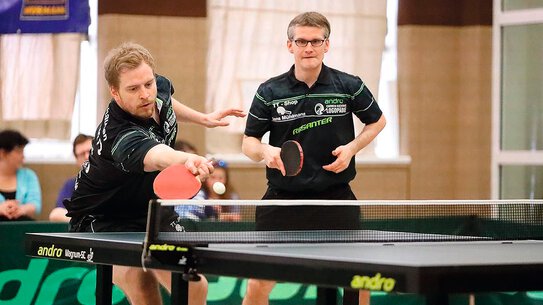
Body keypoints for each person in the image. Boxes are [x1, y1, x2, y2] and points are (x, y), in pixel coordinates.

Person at [64, 42, 245, 305]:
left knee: (194, 286)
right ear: (115, 92)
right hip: (103, 217)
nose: (145, 94)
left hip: (149, 209)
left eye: (148, 84)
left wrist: (204, 119)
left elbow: (167, 102)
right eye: (133, 89)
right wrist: (188, 159)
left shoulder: (153, 86)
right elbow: (157, 156)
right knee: (142, 285)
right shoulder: (120, 136)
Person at [241, 12, 386, 305]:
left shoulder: (348, 86)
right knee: (259, 280)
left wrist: (352, 148)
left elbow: (378, 121)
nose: (309, 47)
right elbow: (248, 142)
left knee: (358, 281)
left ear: (326, 45)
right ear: (289, 45)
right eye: (301, 41)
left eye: (316, 41)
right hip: (283, 200)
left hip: (335, 199)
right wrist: (266, 151)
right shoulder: (270, 91)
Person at [49, 133, 93, 222]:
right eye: (81, 154)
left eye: (90, 151)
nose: (86, 156)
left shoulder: (112, 178)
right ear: (76, 160)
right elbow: (56, 214)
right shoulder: (72, 184)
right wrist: (84, 221)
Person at [0, 129, 42, 221]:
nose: (23, 156)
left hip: (22, 225)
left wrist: (21, 209)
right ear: (2, 153)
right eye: (19, 151)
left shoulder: (29, 175)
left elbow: (36, 204)